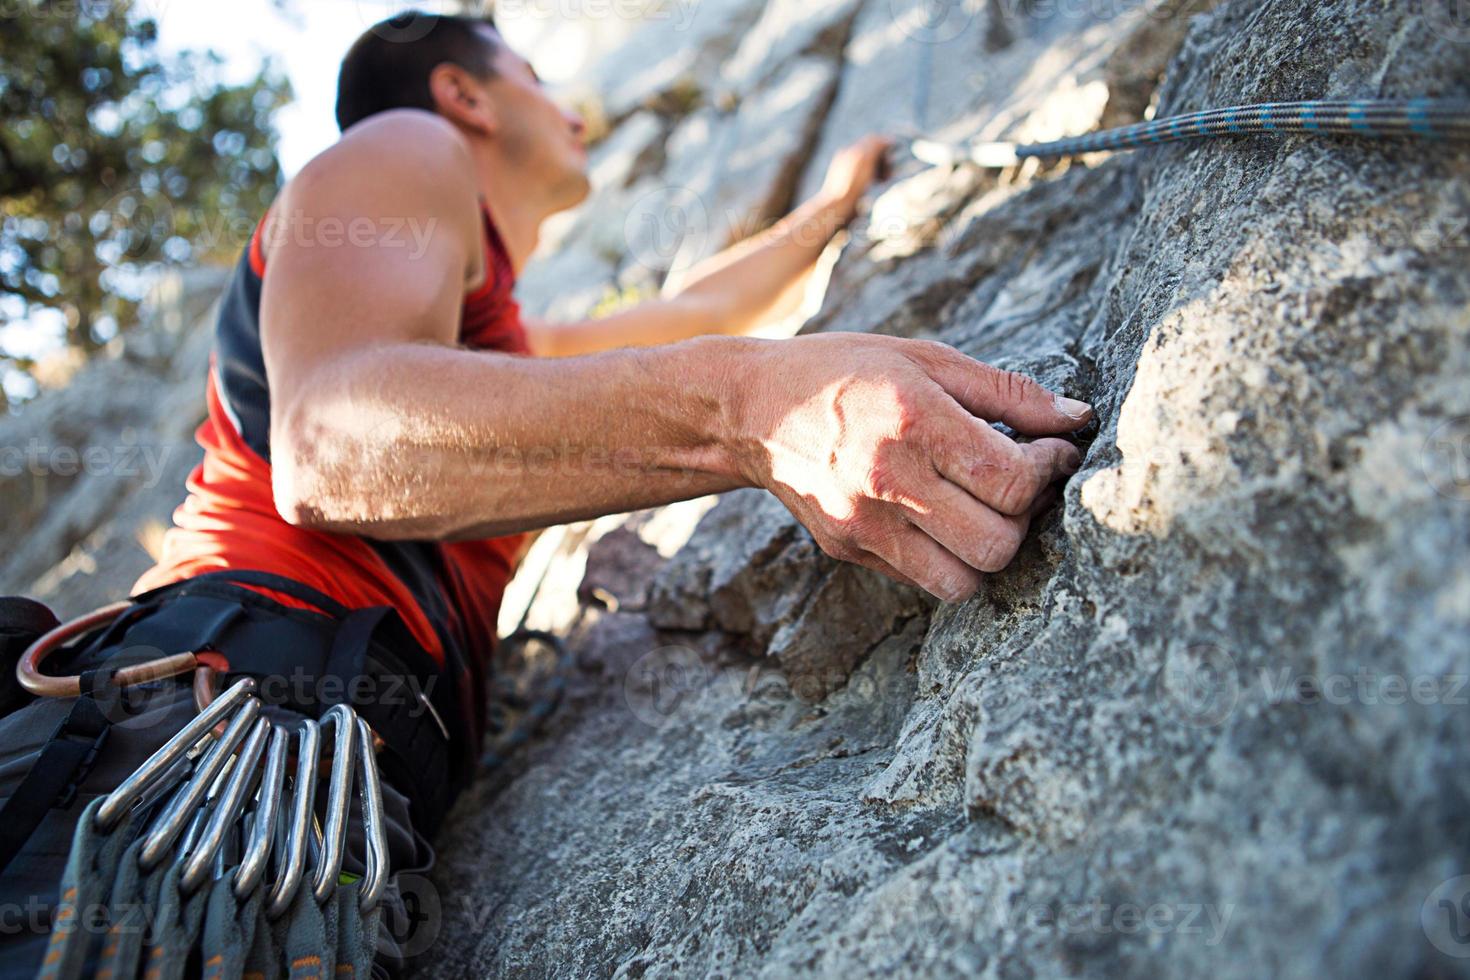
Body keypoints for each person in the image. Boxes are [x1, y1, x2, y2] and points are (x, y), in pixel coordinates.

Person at [0, 11, 1092, 973]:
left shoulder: (494, 343)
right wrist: (747, 406)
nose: (569, 105)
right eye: (528, 69)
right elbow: (326, 440)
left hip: (290, 764)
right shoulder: (404, 144)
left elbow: (668, 325)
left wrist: (838, 202)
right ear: (462, 93)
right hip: (213, 719)